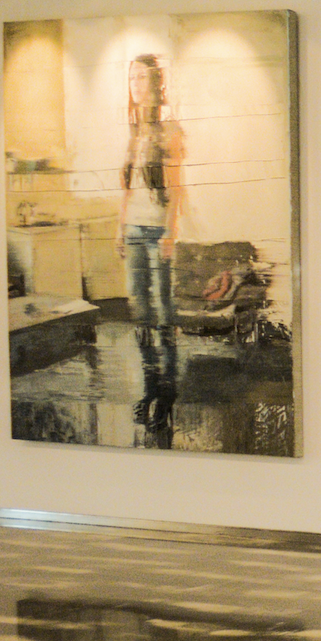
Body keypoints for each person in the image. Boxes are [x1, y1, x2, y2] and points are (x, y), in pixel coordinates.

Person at [116, 53, 185, 443]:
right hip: (133, 231)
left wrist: (171, 234)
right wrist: (118, 227)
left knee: (163, 317)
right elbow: (126, 187)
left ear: (157, 84)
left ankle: (167, 395)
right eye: (132, 79)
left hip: (158, 231)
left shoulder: (169, 130)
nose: (137, 85)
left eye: (143, 78)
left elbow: (175, 187)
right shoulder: (133, 132)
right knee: (140, 317)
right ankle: (150, 389)